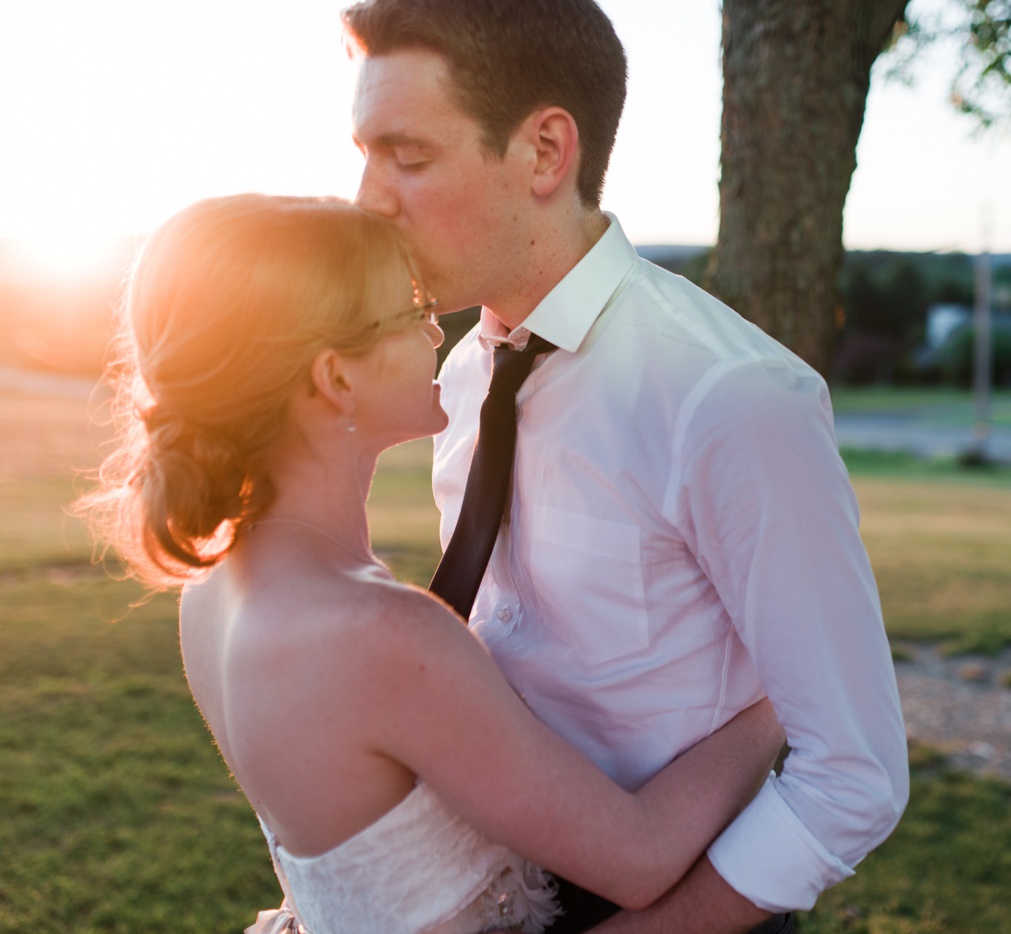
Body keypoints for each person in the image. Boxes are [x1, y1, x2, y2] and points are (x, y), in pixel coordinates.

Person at [342, 2, 910, 931]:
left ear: (544, 152)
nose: (369, 197)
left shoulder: (731, 396)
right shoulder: (468, 366)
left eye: (407, 157)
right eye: (363, 153)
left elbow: (856, 773)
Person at [77, 194, 785, 934]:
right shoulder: (382, 634)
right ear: (334, 378)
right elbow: (639, 857)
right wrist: (776, 692)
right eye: (407, 308)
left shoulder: (213, 589)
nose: (435, 328)